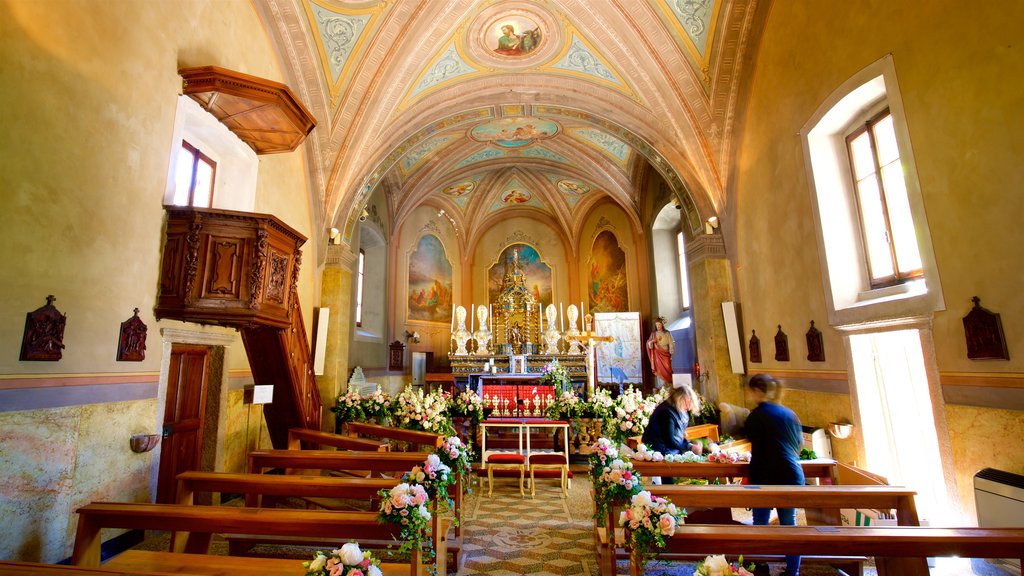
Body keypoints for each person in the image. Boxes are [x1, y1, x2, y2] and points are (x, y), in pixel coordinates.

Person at [744, 374, 804, 576]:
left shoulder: (755, 416)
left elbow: (754, 441)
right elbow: (799, 445)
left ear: (757, 391)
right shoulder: (789, 413)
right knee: (789, 524)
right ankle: (793, 571)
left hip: (765, 475)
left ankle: (760, 567)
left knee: (760, 523)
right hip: (791, 474)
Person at [641, 382, 701, 457]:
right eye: (687, 403)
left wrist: (689, 444)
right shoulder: (667, 412)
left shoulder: (677, 409)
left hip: (669, 450)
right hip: (660, 451)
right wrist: (690, 447)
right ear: (681, 398)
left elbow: (678, 436)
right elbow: (669, 440)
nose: (688, 408)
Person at [646, 317, 675, 389]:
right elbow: (649, 344)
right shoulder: (653, 334)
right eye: (657, 325)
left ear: (662, 325)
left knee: (668, 368)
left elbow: (671, 342)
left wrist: (671, 348)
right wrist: (652, 342)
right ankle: (662, 386)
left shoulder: (667, 333)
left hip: (666, 353)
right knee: (659, 369)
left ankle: (669, 384)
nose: (658, 326)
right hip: (657, 354)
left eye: (659, 324)